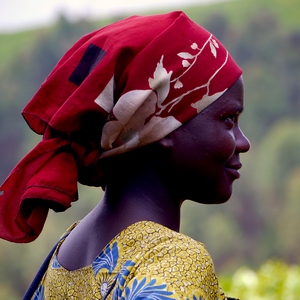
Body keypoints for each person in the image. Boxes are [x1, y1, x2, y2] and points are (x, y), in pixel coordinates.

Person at [0, 11, 250, 299]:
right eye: (229, 119)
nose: (243, 143)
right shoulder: (172, 262)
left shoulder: (67, 249)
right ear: (163, 126)